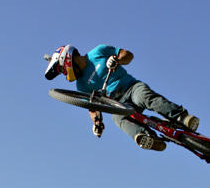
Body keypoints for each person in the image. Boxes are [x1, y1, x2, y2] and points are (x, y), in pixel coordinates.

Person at [45, 44, 199, 152]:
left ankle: (182, 117)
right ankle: (148, 139)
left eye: (63, 70)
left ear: (67, 59)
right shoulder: (81, 85)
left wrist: (117, 60)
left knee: (145, 97)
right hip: (117, 104)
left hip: (131, 88)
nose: (65, 74)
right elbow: (92, 107)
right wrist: (97, 122)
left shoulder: (98, 52)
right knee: (117, 119)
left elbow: (128, 55)